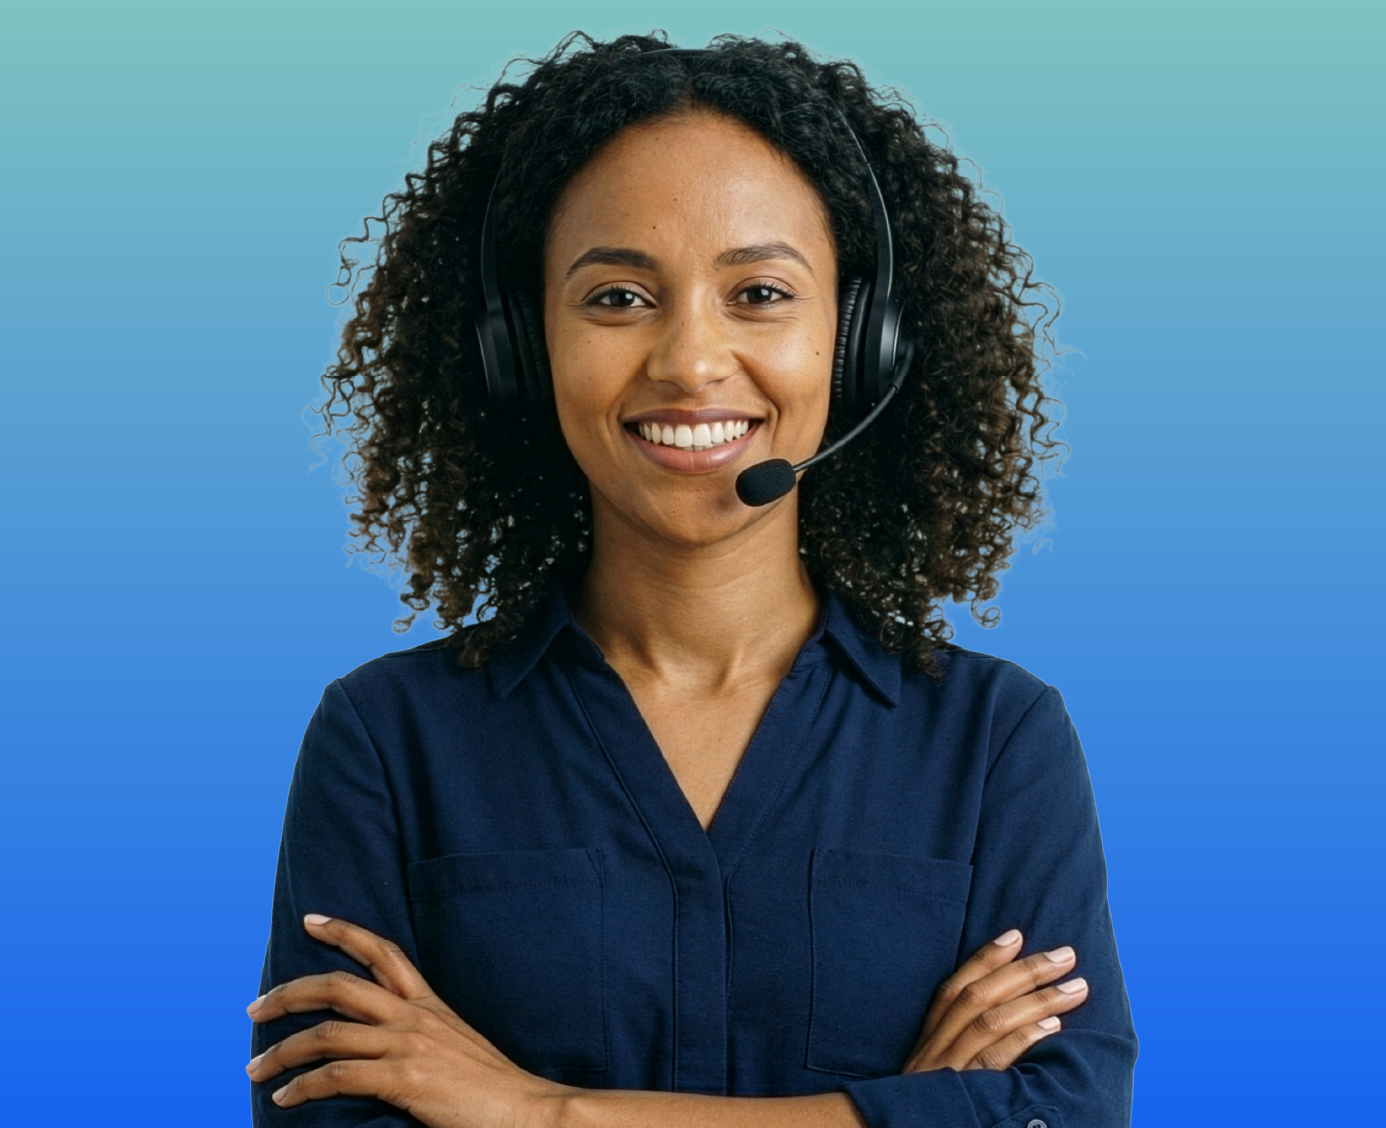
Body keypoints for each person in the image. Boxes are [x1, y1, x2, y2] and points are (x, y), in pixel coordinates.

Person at [247, 33, 1137, 1128]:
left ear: (863, 344)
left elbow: (1065, 1114)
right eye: (618, 297)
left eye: (760, 291)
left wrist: (538, 1112)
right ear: (519, 348)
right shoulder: (387, 744)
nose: (689, 360)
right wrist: (899, 1113)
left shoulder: (996, 743)